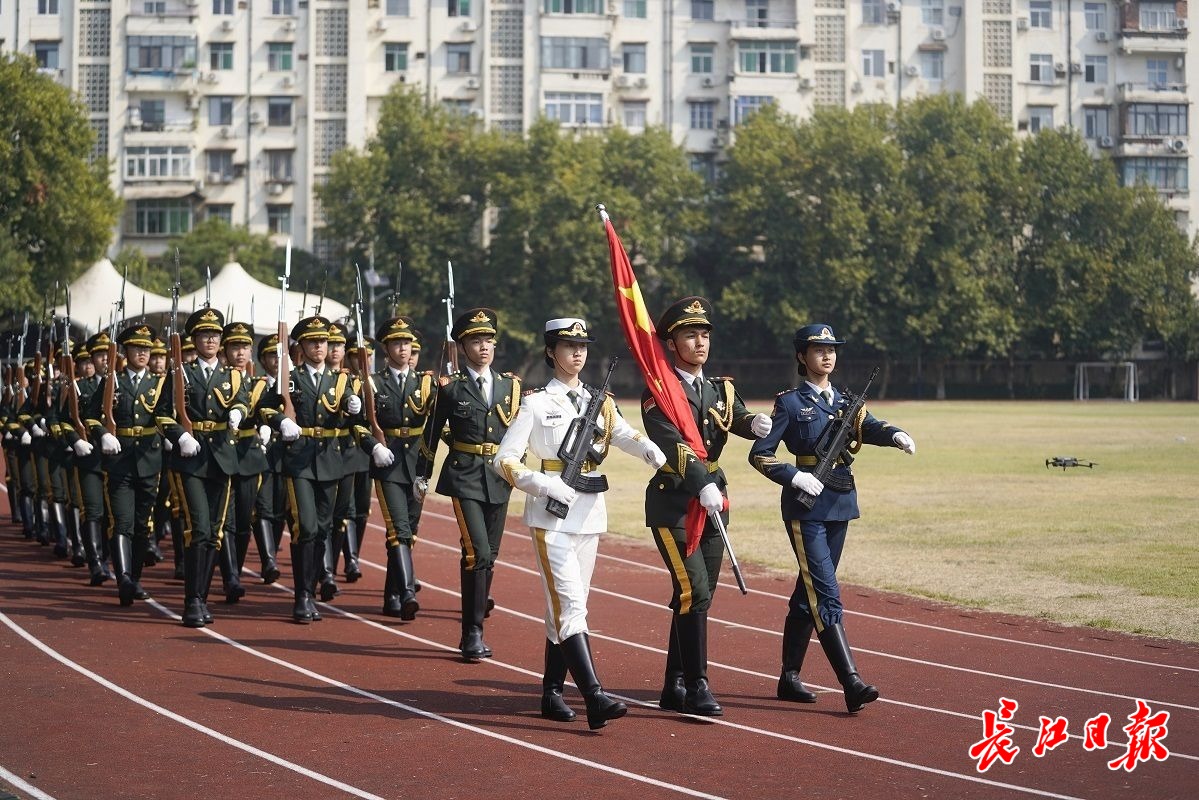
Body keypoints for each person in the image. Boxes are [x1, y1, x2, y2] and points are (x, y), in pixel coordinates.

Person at [495, 318, 665, 729]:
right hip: (550, 518)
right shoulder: (535, 404)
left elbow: (621, 433)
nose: (577, 352)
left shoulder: (598, 400)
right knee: (570, 606)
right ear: (551, 351)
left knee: (569, 609)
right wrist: (542, 484)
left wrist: (649, 451)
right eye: (568, 345)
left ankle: (552, 692)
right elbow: (503, 460)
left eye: (582, 345)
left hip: (589, 515)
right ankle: (595, 697)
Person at [748, 323, 915, 713]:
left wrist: (894, 435)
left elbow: (868, 426)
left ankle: (789, 678)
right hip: (806, 508)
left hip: (839, 501)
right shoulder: (789, 404)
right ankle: (851, 681)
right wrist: (794, 475)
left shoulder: (845, 401)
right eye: (818, 349)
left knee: (810, 592)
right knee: (825, 591)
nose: (827, 355)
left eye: (832, 349)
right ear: (802, 356)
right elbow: (761, 453)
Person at [640, 296, 773, 717]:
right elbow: (672, 446)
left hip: (715, 501)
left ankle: (673, 683)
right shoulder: (659, 392)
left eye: (704, 335)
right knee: (692, 590)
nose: (699, 343)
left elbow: (737, 418)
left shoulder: (721, 390)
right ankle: (698, 685)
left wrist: (755, 424)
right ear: (672, 343)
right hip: (675, 503)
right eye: (689, 335)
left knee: (699, 596)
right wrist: (701, 484)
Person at [416, 308, 520, 660]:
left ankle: (477, 604)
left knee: (490, 555)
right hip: (463, 475)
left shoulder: (511, 386)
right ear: (462, 346)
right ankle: (471, 633)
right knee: (478, 552)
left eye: (489, 339)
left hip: (498, 478)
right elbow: (431, 434)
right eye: (476, 340)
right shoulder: (450, 388)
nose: (484, 346)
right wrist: (421, 475)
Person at [159, 308, 249, 626]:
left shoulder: (233, 376)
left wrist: (238, 412)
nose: (210, 339)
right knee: (198, 528)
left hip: (222, 457)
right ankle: (192, 601)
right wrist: (180, 436)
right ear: (194, 339)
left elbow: (243, 400)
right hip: (191, 458)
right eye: (204, 335)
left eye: (215, 335)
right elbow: (162, 413)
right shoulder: (180, 373)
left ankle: (202, 597)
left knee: (214, 532)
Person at [269, 315, 361, 623]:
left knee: (323, 527)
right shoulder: (290, 378)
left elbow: (349, 408)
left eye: (324, 342)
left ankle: (313, 586)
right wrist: (281, 421)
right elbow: (267, 407)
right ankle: (302, 595)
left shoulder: (340, 380)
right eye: (313, 342)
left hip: (329, 459)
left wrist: (353, 408)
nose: (320, 347)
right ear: (302, 346)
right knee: (305, 526)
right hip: (299, 459)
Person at [86, 323, 168, 606]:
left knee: (142, 524)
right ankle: (123, 579)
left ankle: (135, 578)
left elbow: (170, 415)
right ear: (126, 351)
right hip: (119, 460)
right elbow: (91, 416)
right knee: (121, 521)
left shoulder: (160, 384)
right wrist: (103, 434)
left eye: (147, 348)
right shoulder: (112, 382)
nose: (143, 353)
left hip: (149, 459)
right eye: (137, 348)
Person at [362, 316, 431, 619]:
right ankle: (405, 592)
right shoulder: (373, 383)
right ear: (386, 348)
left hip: (417, 462)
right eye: (396, 343)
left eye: (407, 343)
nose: (403, 348)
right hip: (388, 462)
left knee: (410, 532)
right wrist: (374, 446)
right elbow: (359, 425)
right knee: (398, 529)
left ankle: (391, 594)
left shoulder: (425, 383)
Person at [220, 321, 279, 586]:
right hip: (220, 453)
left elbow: (267, 410)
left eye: (244, 346)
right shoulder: (217, 381)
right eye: (235, 346)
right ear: (225, 350)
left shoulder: (258, 385)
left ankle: (236, 568)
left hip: (249, 455)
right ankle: (230, 575)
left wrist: (265, 427)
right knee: (226, 519)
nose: (240, 352)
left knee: (245, 519)